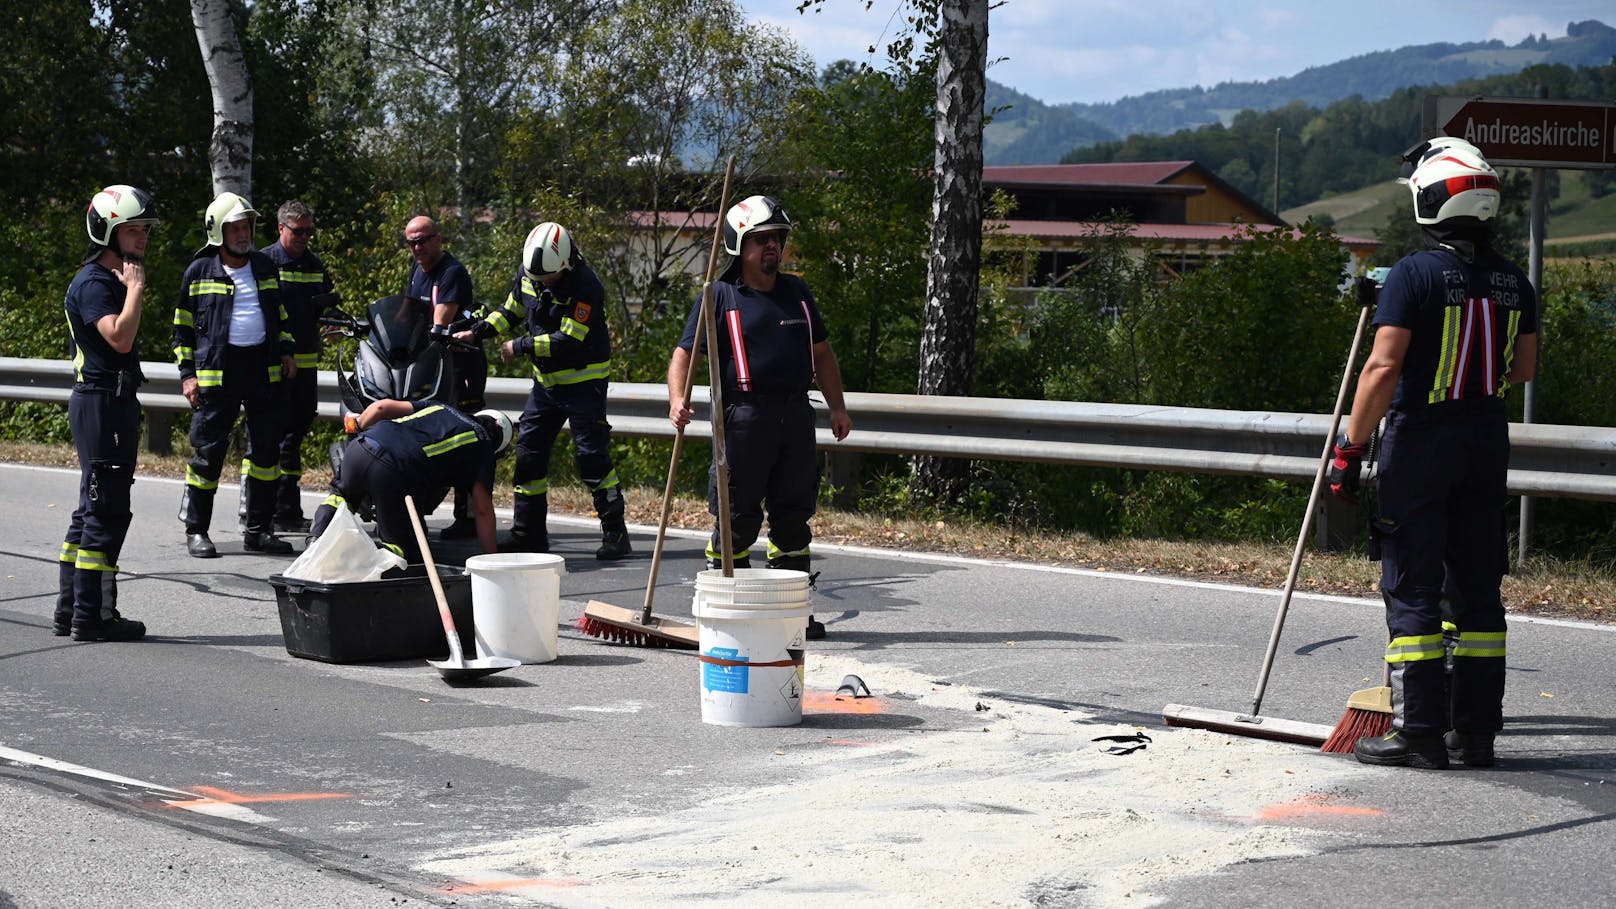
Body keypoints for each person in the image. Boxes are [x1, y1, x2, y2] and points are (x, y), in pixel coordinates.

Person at [1330, 137, 1538, 770]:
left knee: (1414, 584)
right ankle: (1474, 735)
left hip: (1422, 439)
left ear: (1431, 198)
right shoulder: (1515, 282)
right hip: (1486, 440)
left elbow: (1381, 368)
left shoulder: (1415, 274)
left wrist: (1350, 448)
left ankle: (1418, 730)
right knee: (1477, 591)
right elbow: (1522, 369)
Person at [667, 195, 852, 640]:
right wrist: (678, 399)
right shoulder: (718, 296)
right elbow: (684, 354)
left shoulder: (798, 294)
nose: (773, 247)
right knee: (736, 518)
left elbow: (822, 355)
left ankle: (792, 616)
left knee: (793, 519)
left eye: (777, 239)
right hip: (742, 418)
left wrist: (838, 407)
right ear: (738, 245)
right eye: (761, 239)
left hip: (795, 416)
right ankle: (728, 611)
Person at [459, 222, 631, 560]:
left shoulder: (586, 285)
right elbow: (511, 310)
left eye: (547, 279)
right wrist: (477, 333)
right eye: (535, 278)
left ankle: (615, 533)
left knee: (592, 458)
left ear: (565, 264)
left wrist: (521, 345)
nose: (541, 283)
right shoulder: (530, 273)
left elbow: (569, 339)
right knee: (528, 454)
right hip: (546, 385)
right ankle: (528, 533)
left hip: (583, 383)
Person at [56, 185, 159, 642]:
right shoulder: (96, 283)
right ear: (108, 232)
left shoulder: (105, 279)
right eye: (132, 230)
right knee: (106, 511)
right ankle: (93, 615)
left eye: (144, 230)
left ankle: (70, 609)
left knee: (89, 509)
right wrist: (135, 290)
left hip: (106, 401)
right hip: (103, 402)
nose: (142, 238)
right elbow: (118, 336)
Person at [174, 192, 298, 558]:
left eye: (247, 226)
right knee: (208, 454)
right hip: (217, 373)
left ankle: (259, 530)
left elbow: (281, 318)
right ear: (218, 232)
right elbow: (182, 328)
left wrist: (287, 351)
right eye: (236, 228)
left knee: (265, 455)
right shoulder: (199, 271)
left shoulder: (264, 267)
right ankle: (196, 530)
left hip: (262, 370)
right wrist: (187, 375)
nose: (244, 234)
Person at [309, 400, 513, 563]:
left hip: (359, 447)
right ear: (498, 445)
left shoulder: (442, 407)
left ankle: (315, 542)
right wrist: (492, 561)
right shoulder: (483, 444)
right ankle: (360, 565)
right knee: (408, 555)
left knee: (341, 497)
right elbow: (483, 509)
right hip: (392, 471)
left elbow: (382, 407)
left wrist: (358, 425)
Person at [404, 215, 485, 540]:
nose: (418, 247)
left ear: (439, 238)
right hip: (434, 366)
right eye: (412, 242)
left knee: (465, 436)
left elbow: (440, 320)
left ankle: (467, 517)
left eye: (423, 240)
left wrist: (423, 338)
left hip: (461, 367)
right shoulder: (417, 271)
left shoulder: (452, 273)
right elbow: (406, 313)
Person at [259, 200, 336, 533]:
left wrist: (335, 325)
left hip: (306, 368)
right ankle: (266, 508)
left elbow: (328, 305)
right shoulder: (263, 262)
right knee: (273, 438)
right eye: (298, 231)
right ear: (281, 228)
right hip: (272, 367)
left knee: (295, 436)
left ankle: (286, 509)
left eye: (308, 231)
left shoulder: (314, 265)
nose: (304, 237)